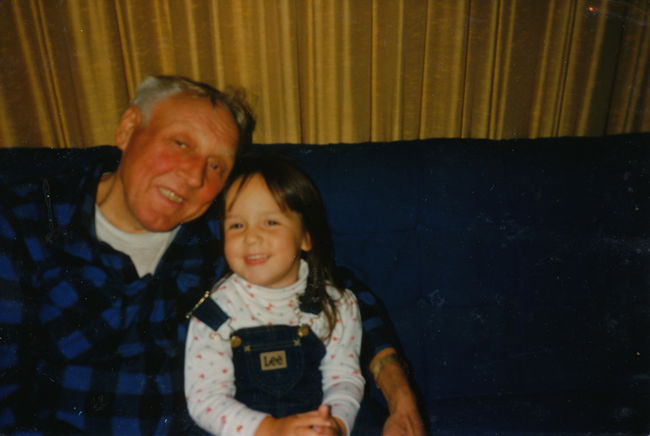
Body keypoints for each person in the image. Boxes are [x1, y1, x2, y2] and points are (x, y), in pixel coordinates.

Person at [0, 75, 424, 435]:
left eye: (217, 165)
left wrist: (398, 391)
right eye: (181, 143)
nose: (193, 176)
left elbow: (334, 289)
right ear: (128, 128)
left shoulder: (223, 230)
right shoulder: (23, 224)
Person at [185, 154, 364, 436]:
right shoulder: (215, 311)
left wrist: (335, 424)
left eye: (270, 222)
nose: (251, 237)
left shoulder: (337, 303)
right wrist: (269, 429)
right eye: (236, 225)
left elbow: (344, 379)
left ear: (306, 236)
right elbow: (205, 399)